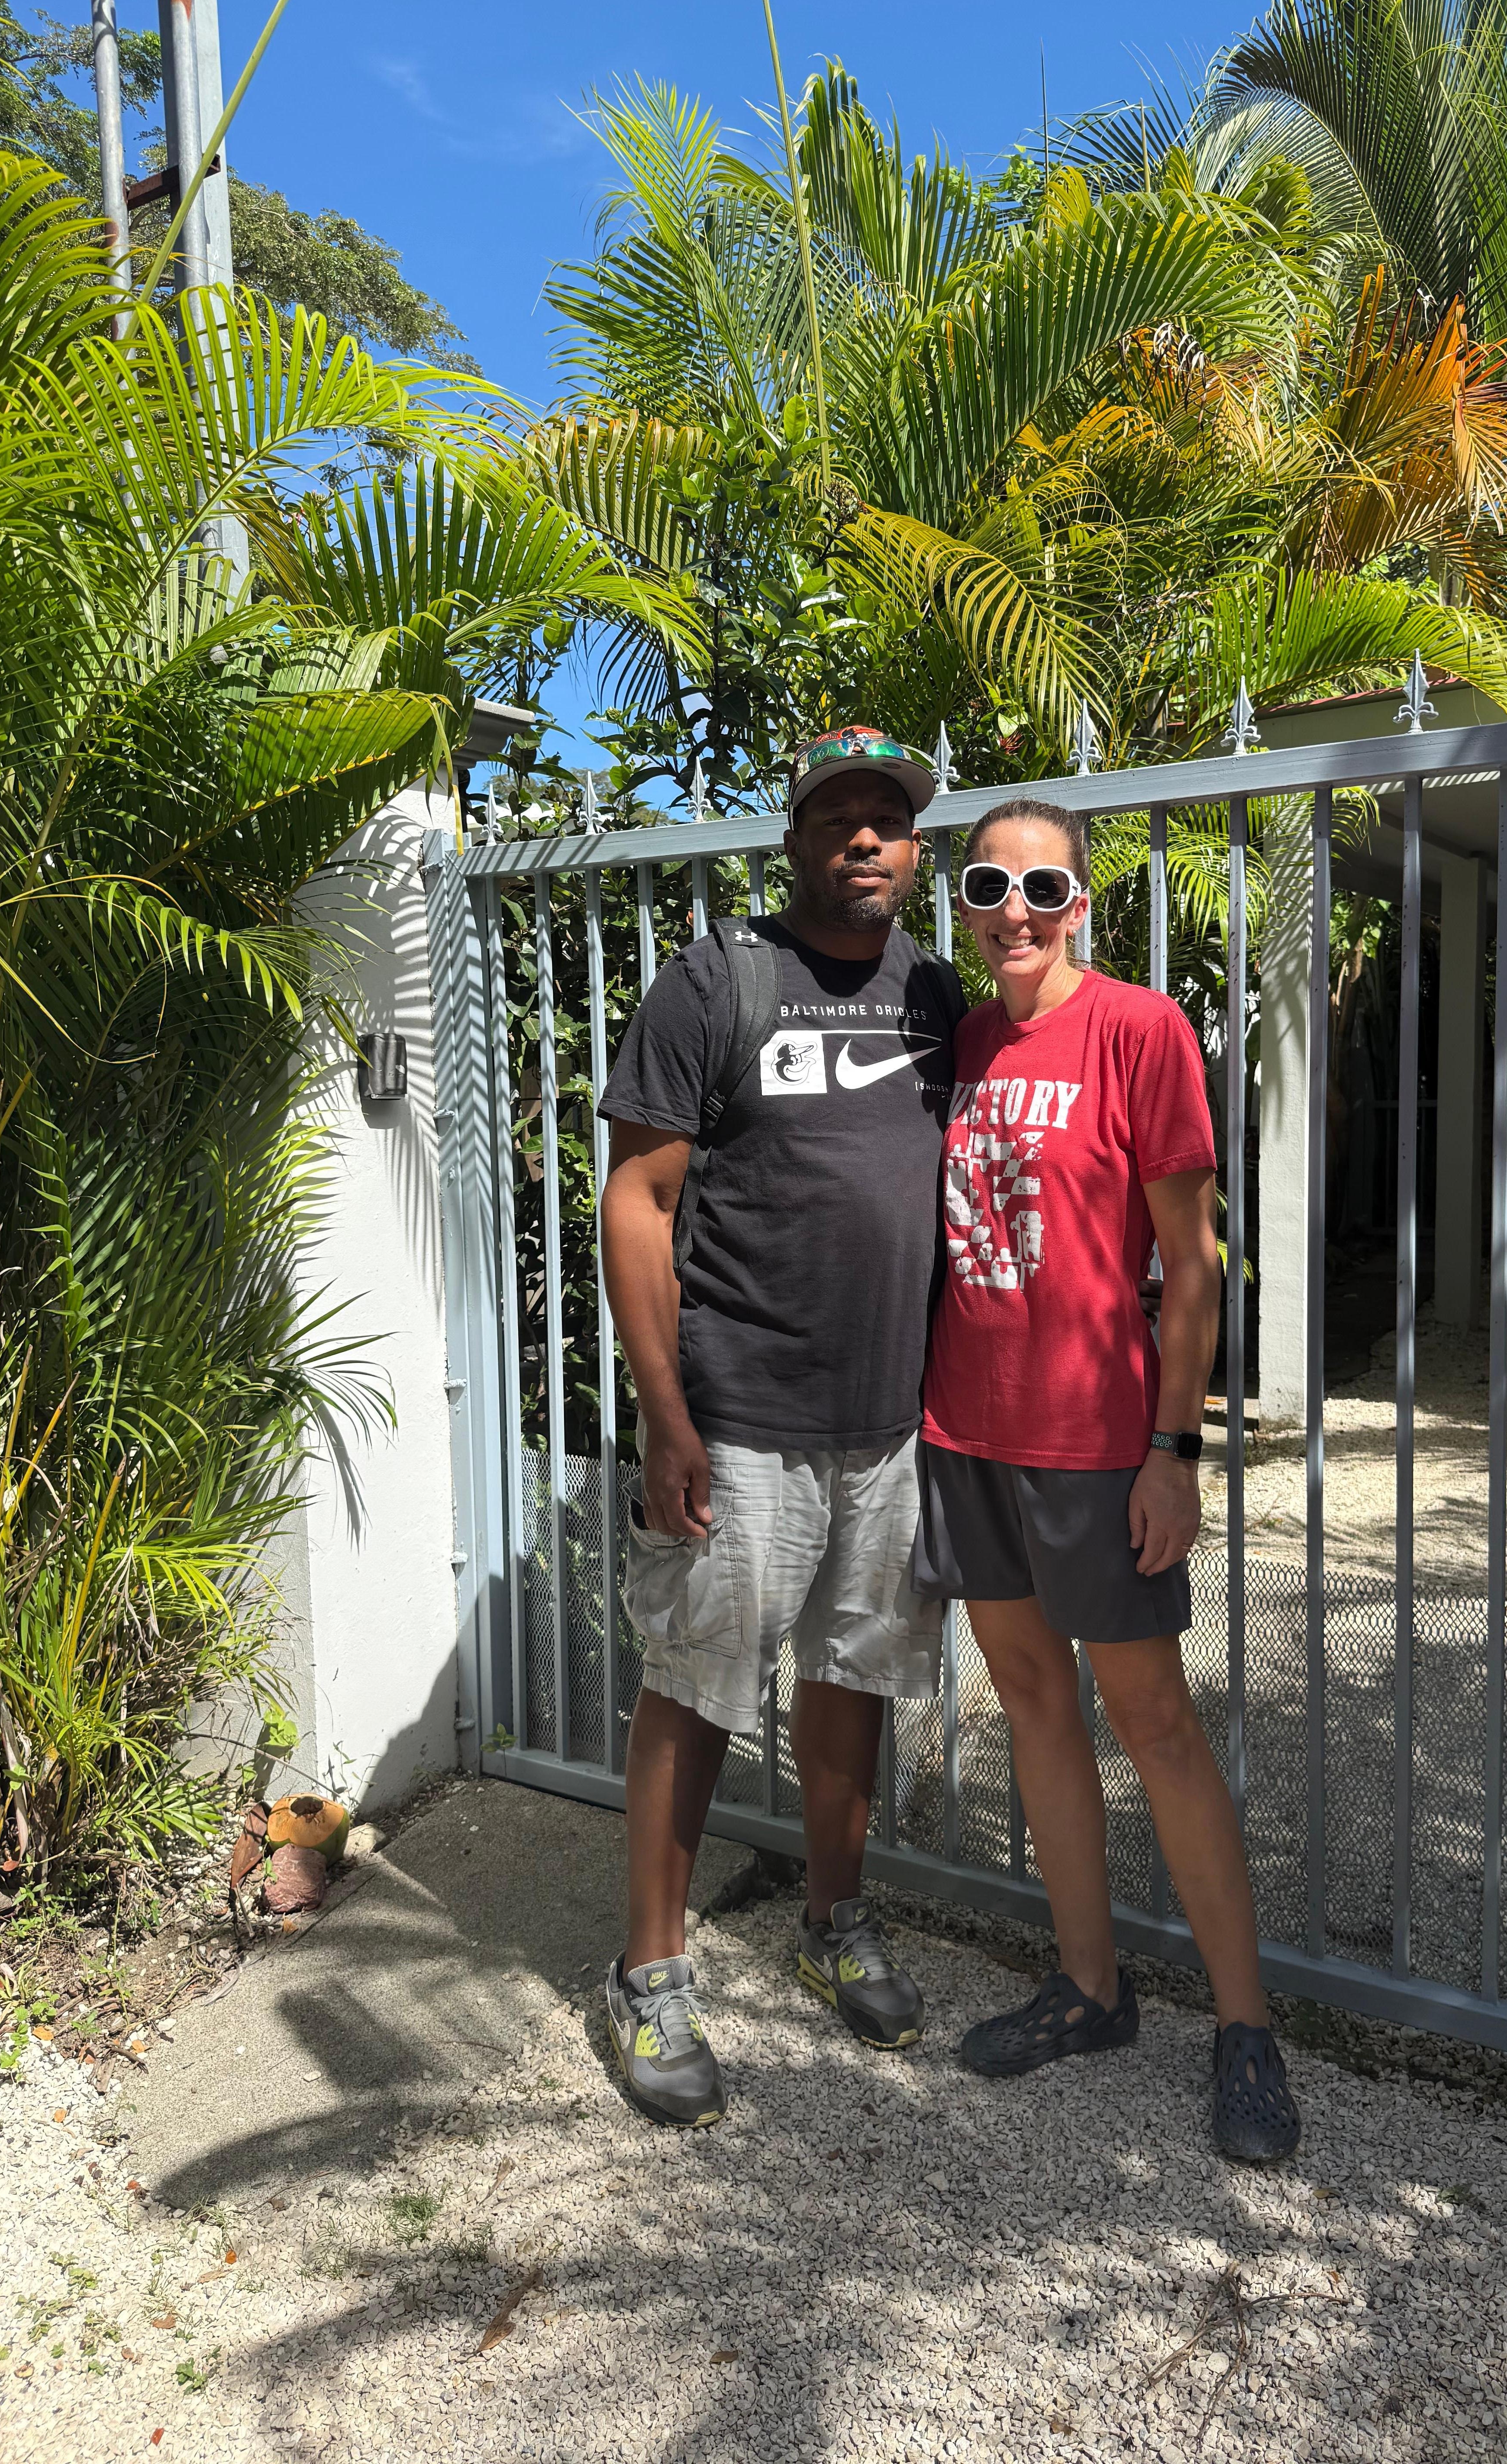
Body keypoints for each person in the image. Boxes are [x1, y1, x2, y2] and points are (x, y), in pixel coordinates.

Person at [912, 794, 1301, 2163]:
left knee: (1155, 1726)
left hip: (1096, 1442)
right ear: (959, 907)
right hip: (965, 1433)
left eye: (1041, 888)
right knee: (1028, 1700)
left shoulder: (1141, 1030)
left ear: (1081, 902)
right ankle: (1090, 1990)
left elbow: (1187, 1263)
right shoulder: (960, 1042)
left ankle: (1244, 2029)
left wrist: (1175, 1448)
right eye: (985, 887)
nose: (1012, 912)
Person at [596, 727, 963, 2128]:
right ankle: (649, 1974)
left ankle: (832, 1921)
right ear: (795, 839)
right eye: (838, 816)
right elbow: (638, 1201)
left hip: (889, 1423)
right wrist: (665, 1411)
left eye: (890, 819)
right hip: (740, 1416)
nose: (865, 838)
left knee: (852, 1678)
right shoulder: (716, 982)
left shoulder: (938, 995)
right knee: (694, 1682)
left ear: (915, 850)